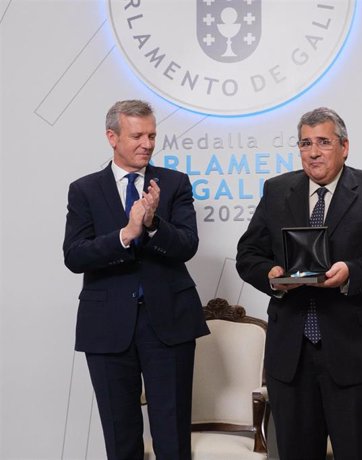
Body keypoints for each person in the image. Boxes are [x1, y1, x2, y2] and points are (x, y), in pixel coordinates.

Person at [236, 107, 362, 459]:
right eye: (305, 143)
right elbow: (248, 254)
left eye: (323, 141)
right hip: (292, 355)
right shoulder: (277, 191)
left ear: (344, 146)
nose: (314, 151)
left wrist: (352, 272)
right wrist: (271, 277)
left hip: (355, 353)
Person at [63, 100, 209, 459]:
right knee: (120, 435)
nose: (147, 143)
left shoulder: (174, 183)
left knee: (172, 436)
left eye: (152, 135)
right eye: (137, 135)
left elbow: (188, 245)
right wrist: (126, 234)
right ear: (112, 137)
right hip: (107, 326)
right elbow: (75, 255)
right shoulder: (84, 190)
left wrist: (154, 223)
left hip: (170, 323)